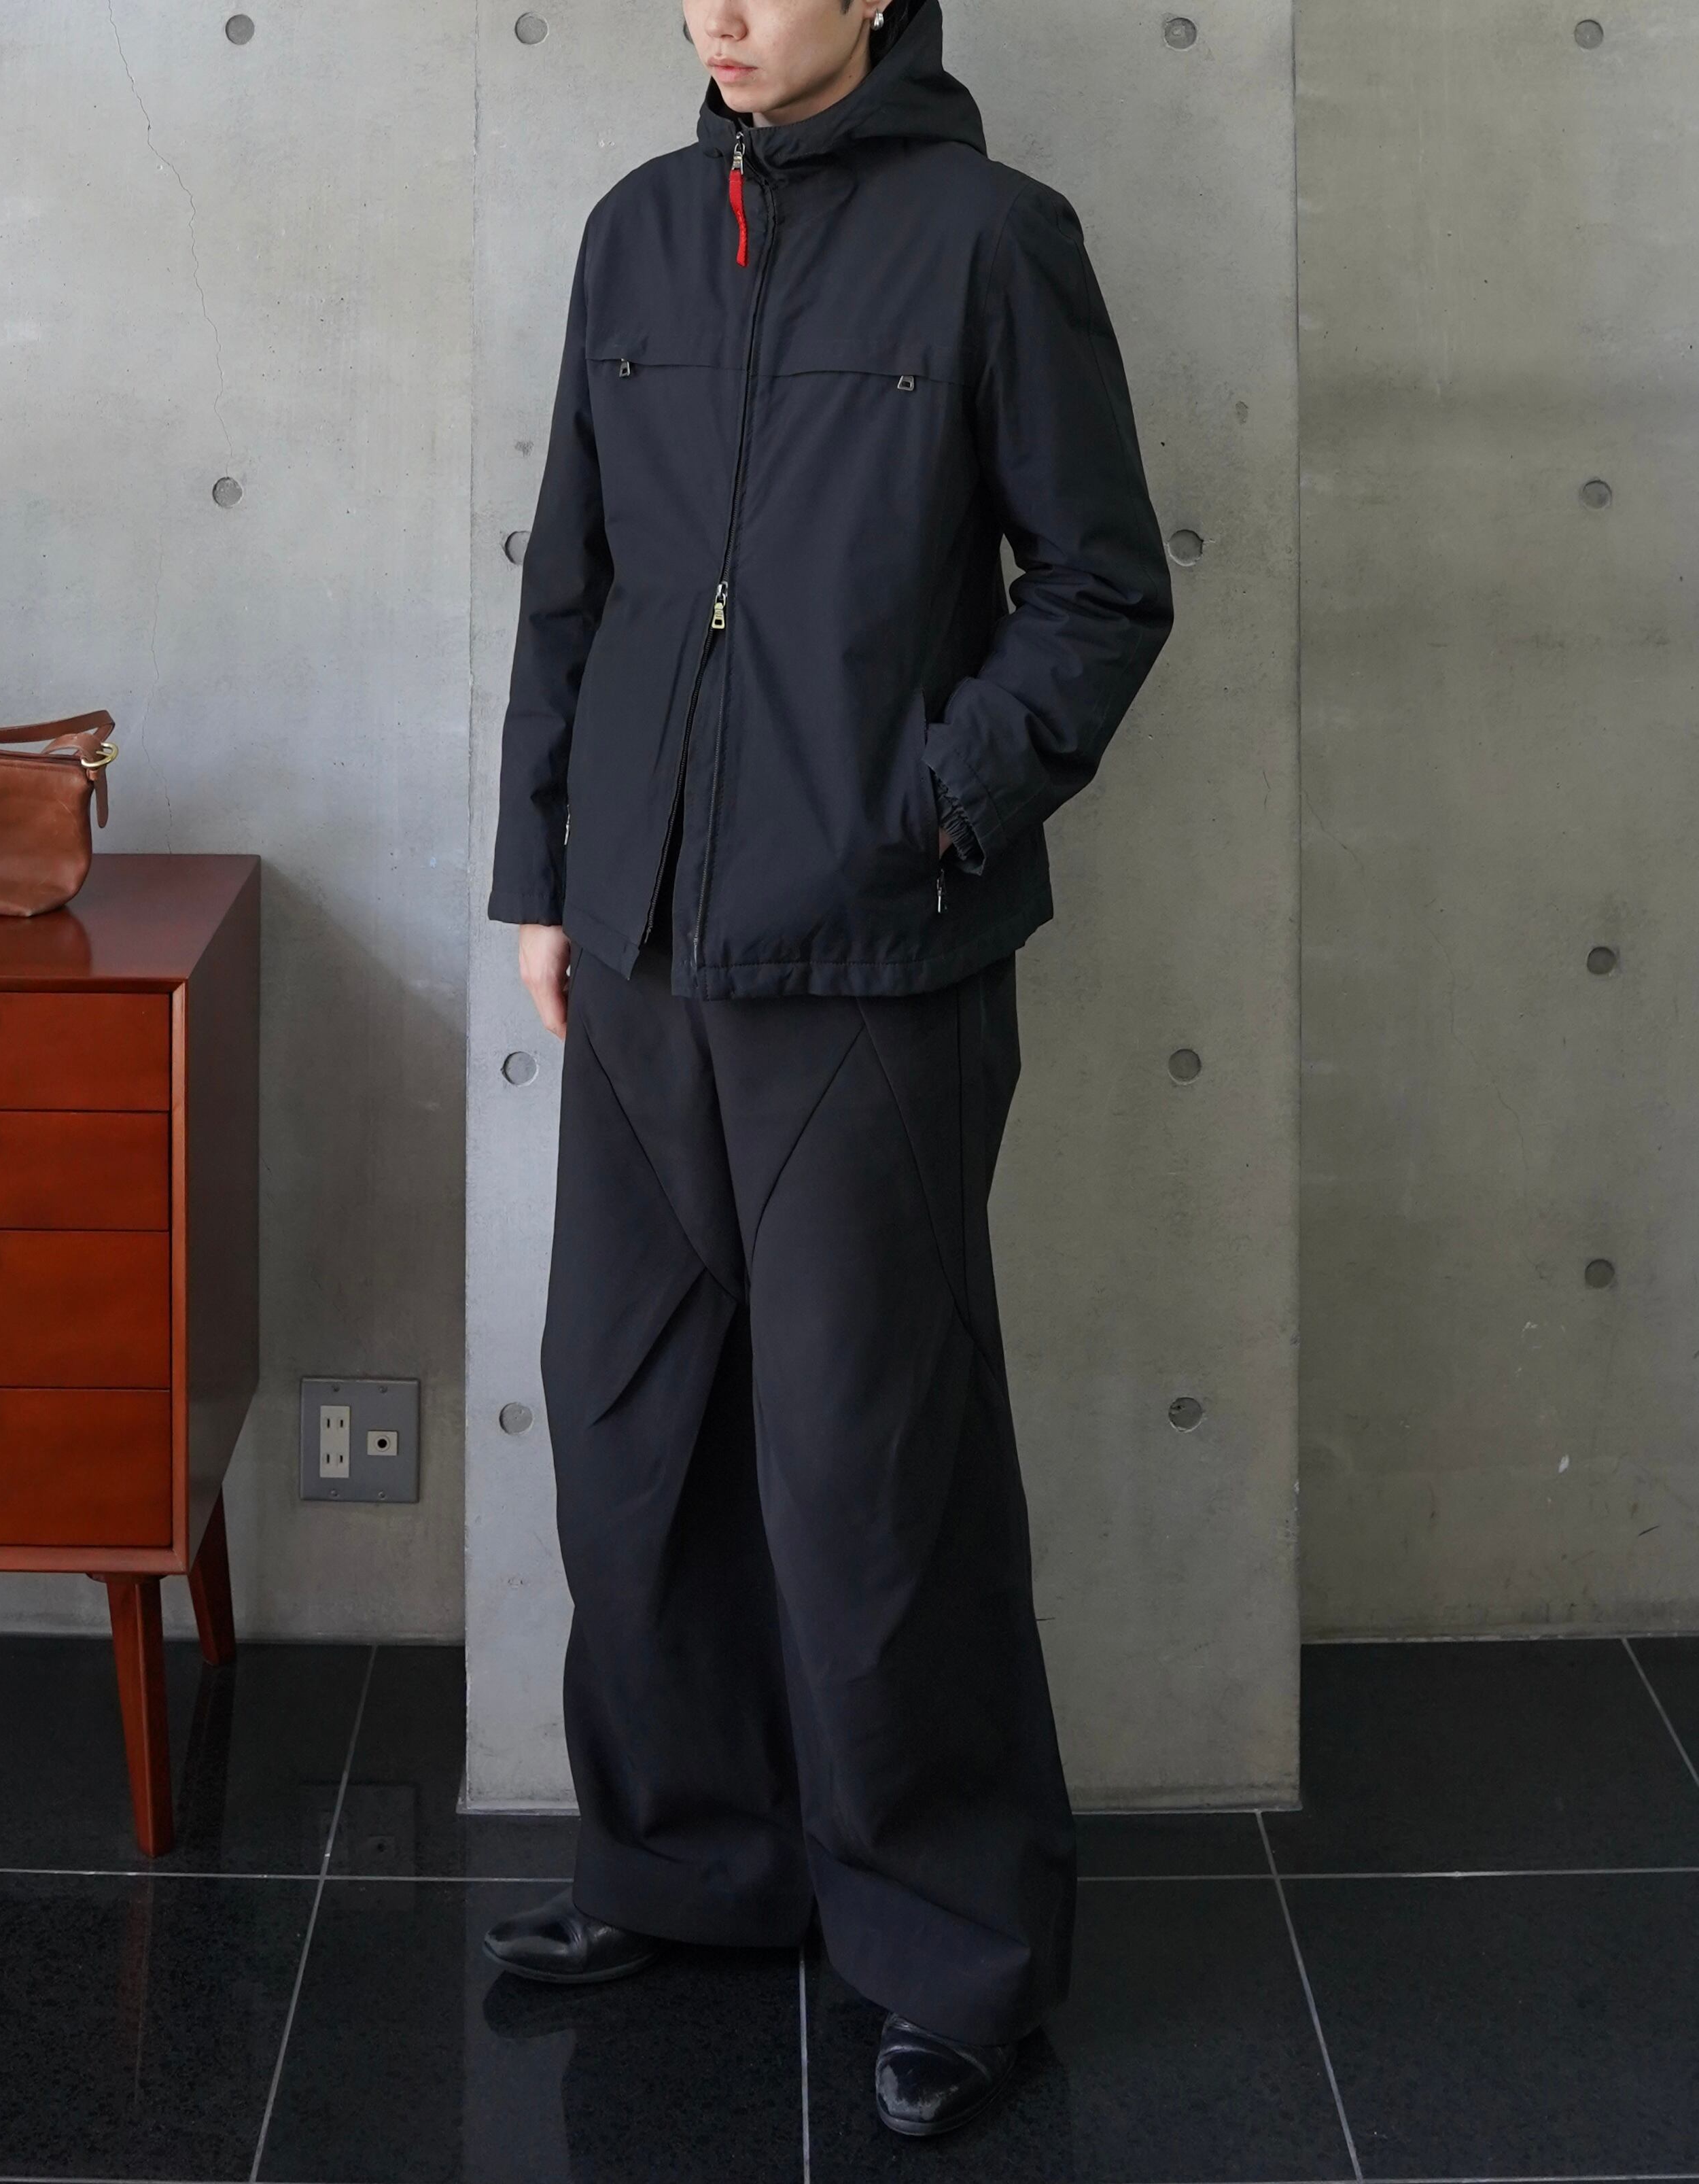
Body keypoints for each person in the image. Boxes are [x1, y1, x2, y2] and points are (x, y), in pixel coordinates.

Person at [482, 0, 1173, 2140]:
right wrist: (542, 878)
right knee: (633, 1441)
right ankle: (692, 1865)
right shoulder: (633, 230)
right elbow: (572, 583)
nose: (721, 8)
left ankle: (954, 1954)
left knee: (874, 1483)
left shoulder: (989, 239)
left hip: (871, 964)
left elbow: (1100, 587)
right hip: (638, 954)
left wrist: (932, 810)